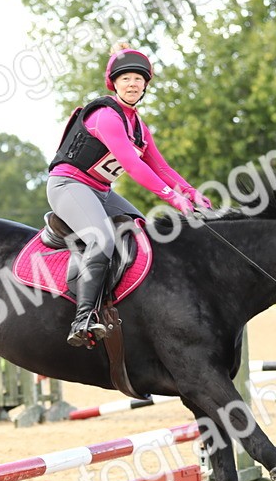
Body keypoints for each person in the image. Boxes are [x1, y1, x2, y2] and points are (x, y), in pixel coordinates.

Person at [47, 43, 210, 346]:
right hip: (68, 185)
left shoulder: (139, 127)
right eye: (126, 79)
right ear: (115, 84)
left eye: (138, 79)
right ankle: (82, 318)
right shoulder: (106, 116)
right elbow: (133, 166)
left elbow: (161, 168)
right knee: (102, 238)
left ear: (146, 85)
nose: (132, 84)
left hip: (99, 191)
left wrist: (190, 192)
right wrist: (172, 199)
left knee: (141, 231)